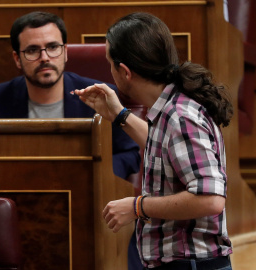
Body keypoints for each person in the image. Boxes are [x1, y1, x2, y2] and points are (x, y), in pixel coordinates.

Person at [74, 12, 234, 269]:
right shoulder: (171, 108)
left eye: (110, 64)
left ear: (124, 71)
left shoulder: (180, 116)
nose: (110, 71)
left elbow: (210, 198)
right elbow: (168, 149)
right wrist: (119, 115)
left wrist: (138, 206)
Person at [0, 11, 140, 180]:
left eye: (53, 47)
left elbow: (129, 155)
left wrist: (90, 176)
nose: (44, 58)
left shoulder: (101, 96)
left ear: (65, 52)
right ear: (17, 58)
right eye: (32, 50)